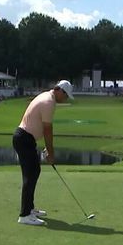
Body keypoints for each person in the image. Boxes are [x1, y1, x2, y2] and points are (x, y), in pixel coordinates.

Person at [13, 80, 73, 226]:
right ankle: (24, 215)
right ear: (60, 91)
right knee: (30, 175)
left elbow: (40, 126)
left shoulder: (48, 97)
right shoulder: (48, 102)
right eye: (66, 96)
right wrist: (51, 152)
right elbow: (47, 130)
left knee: (35, 171)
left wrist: (48, 148)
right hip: (23, 139)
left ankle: (30, 208)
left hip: (26, 139)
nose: (65, 99)